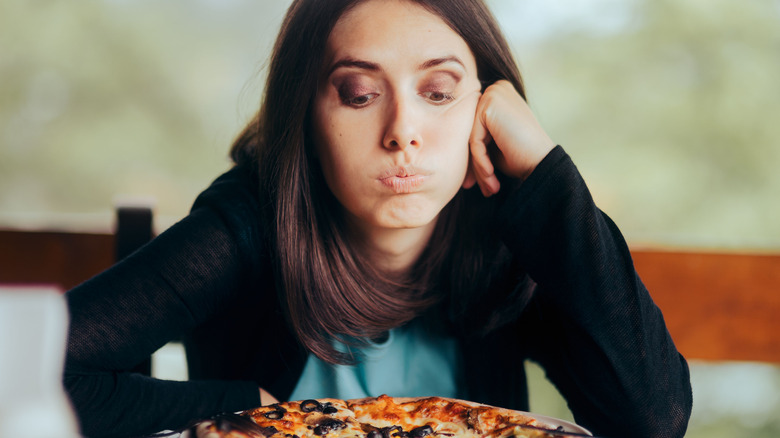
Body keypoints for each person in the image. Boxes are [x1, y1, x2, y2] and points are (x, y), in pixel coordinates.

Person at [63, 0, 693, 437]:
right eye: (360, 95)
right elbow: (36, 374)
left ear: (485, 108)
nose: (402, 133)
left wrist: (548, 175)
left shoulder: (509, 234)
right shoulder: (246, 227)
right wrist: (244, 409)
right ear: (305, 117)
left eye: (439, 93)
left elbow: (652, 420)